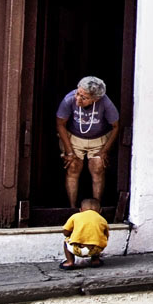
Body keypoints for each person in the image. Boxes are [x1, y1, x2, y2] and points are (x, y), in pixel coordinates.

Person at [56, 76, 120, 209]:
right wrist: (69, 150)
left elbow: (115, 127)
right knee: (73, 166)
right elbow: (60, 124)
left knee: (98, 167)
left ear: (95, 99)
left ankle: (96, 209)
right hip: (74, 137)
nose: (78, 98)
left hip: (99, 138)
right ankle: (73, 209)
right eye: (78, 93)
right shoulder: (69, 99)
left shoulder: (105, 103)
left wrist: (104, 151)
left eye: (84, 97)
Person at [60, 198, 109, 270]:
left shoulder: (75, 216)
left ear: (80, 210)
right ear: (100, 210)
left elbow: (66, 232)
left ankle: (70, 262)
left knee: (66, 242)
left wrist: (72, 235)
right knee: (99, 240)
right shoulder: (102, 220)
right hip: (95, 250)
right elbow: (106, 235)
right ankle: (95, 261)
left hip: (76, 249)